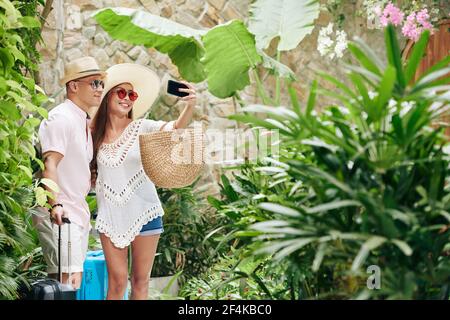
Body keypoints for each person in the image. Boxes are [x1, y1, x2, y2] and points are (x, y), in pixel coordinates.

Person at [90, 63, 196, 300]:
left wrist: (190, 105)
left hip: (145, 213)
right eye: (121, 92)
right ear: (107, 96)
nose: (127, 99)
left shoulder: (141, 127)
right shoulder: (92, 133)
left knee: (140, 282)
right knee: (117, 283)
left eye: (132, 95)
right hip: (110, 216)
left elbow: (176, 129)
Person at [34, 56, 106, 289]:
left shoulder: (81, 119)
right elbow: (50, 164)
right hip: (61, 211)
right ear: (74, 86)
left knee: (68, 284)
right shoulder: (61, 117)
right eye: (94, 83)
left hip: (77, 210)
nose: (100, 89)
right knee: (67, 282)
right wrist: (55, 205)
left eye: (101, 83)